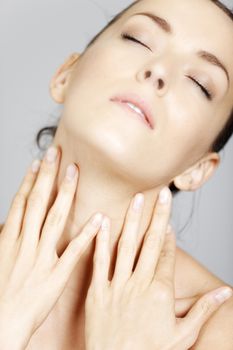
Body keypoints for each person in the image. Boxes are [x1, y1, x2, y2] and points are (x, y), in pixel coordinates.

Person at [1, 0, 233, 348]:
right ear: (66, 74)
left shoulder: (214, 324)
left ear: (197, 169)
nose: (158, 71)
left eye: (200, 83)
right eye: (138, 39)